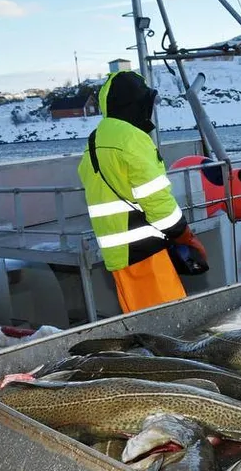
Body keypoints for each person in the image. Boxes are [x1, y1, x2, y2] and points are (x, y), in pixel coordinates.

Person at [78, 70, 207, 314]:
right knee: (171, 323)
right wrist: (188, 238)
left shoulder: (95, 139)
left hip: (119, 255)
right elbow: (157, 201)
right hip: (145, 252)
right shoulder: (131, 138)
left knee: (142, 324)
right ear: (135, 104)